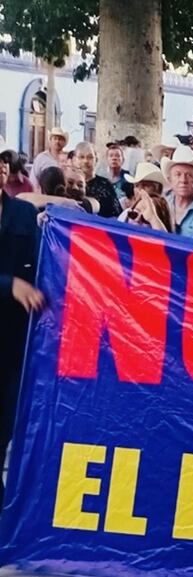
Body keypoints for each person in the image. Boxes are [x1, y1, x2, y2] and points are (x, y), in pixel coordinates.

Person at [0, 161, 42, 504]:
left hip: (15, 340)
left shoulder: (23, 213)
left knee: (6, 426)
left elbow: (44, 259)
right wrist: (9, 285)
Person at [71, 142, 123, 219]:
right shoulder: (69, 184)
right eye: (81, 157)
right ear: (74, 160)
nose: (86, 161)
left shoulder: (105, 185)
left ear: (96, 160)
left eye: (90, 157)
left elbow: (117, 215)